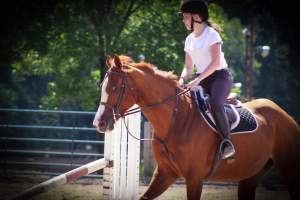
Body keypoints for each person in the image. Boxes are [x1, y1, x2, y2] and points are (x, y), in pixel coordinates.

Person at [178, 0, 235, 159]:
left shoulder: (211, 35)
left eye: (185, 17)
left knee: (215, 104)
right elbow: (188, 67)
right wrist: (181, 79)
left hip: (220, 77)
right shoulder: (189, 40)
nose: (183, 20)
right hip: (201, 78)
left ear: (196, 17)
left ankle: (227, 143)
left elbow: (215, 63)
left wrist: (197, 80)